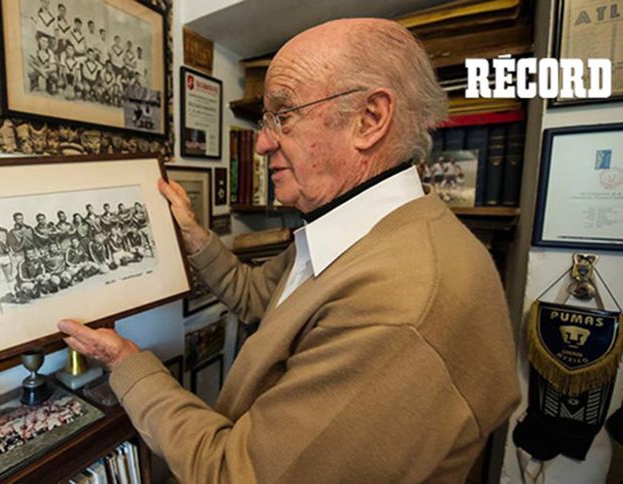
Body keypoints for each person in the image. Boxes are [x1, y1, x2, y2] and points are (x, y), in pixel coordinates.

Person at [57, 18, 520, 482]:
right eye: (265, 119)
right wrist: (193, 235)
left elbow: (235, 475)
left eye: (284, 114)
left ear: (370, 119)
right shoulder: (359, 229)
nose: (261, 143)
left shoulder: (396, 308)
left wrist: (126, 362)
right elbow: (261, 297)